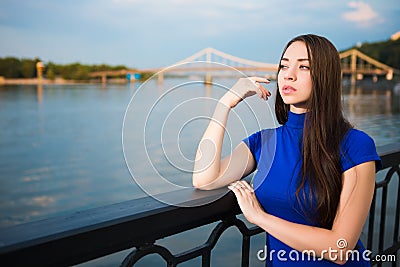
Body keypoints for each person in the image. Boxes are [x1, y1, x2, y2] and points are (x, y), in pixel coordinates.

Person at [192, 34, 381, 266]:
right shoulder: (265, 142)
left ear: (325, 77)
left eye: (304, 66)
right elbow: (204, 179)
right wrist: (225, 104)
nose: (289, 74)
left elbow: (339, 248)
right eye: (284, 66)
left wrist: (260, 217)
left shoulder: (355, 145)